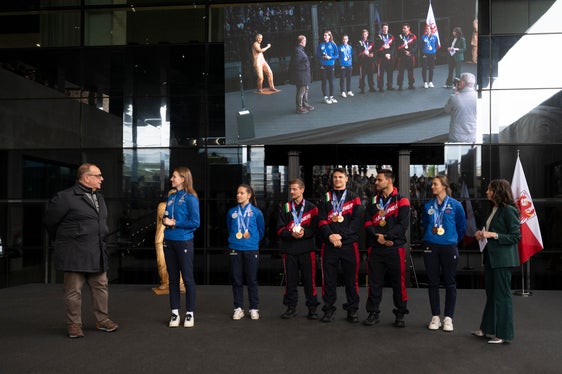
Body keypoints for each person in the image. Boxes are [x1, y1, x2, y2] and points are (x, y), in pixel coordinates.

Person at [44, 163, 118, 338]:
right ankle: (74, 325)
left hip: (97, 251)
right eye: (98, 175)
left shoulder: (99, 197)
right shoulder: (65, 197)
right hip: (74, 253)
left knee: (101, 286)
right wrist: (69, 240)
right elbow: (49, 222)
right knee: (73, 291)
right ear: (86, 178)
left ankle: (103, 320)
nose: (102, 178)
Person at [474, 179, 521, 344]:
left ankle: (503, 334)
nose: (486, 192)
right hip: (491, 259)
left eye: (489, 190)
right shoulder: (494, 209)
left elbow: (516, 236)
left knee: (502, 296)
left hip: (502, 260)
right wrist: (481, 233)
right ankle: (486, 329)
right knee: (491, 295)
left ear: (497, 192)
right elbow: (490, 230)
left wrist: (493, 235)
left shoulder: (509, 211)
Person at [363, 170, 410, 327]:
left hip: (394, 248)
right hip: (376, 247)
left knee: (398, 282)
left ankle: (400, 314)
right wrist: (379, 237)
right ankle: (373, 312)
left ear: (389, 181)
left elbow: (402, 225)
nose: (376, 182)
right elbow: (367, 222)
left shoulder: (402, 200)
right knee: (374, 283)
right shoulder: (373, 200)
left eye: (379, 180)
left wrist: (387, 237)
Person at [317, 168, 364, 323]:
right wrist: (330, 235)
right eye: (335, 177)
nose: (337, 180)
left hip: (349, 245)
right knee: (329, 280)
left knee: (351, 280)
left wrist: (341, 236)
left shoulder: (355, 198)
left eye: (340, 177)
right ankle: (328, 310)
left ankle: (352, 310)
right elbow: (321, 220)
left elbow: (356, 223)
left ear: (346, 179)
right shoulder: (325, 197)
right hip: (329, 244)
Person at [421, 175, 466, 332]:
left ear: (444, 186)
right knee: (432, 281)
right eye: (432, 184)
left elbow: (461, 227)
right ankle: (435, 316)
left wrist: (451, 240)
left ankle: (448, 318)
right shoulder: (428, 206)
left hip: (449, 247)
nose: (432, 186)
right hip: (431, 246)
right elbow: (424, 224)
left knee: (450, 282)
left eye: (435, 184)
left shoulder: (456, 205)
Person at [277, 178, 320, 319]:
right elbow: (279, 230)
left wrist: (304, 233)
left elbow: (315, 229)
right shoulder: (285, 208)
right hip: (289, 250)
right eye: (290, 189)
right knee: (291, 281)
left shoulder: (312, 208)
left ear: (302, 189)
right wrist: (291, 234)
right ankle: (291, 308)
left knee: (309, 281)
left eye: (295, 189)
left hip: (307, 250)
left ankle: (312, 308)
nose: (292, 192)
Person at [163, 167, 200, 328]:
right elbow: (166, 215)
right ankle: (175, 313)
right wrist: (165, 220)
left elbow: (195, 223)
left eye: (174, 176)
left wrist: (175, 223)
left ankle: (190, 313)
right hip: (169, 241)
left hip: (184, 241)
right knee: (172, 279)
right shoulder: (171, 197)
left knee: (187, 277)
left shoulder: (191, 199)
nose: (171, 179)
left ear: (183, 178)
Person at [227, 184, 265, 320]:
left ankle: (254, 308)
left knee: (252, 280)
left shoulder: (256, 212)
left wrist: (252, 241)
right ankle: (238, 308)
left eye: (242, 193)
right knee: (236, 279)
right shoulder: (231, 212)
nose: (238, 195)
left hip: (251, 249)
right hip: (235, 248)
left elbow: (261, 231)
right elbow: (229, 228)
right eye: (237, 193)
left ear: (249, 195)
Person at [155, 187, 185, 292]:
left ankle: (181, 283)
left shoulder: (181, 206)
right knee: (162, 262)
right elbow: (163, 217)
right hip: (161, 238)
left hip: (176, 237)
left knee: (178, 261)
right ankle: (164, 281)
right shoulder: (162, 205)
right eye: (172, 195)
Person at [444, 72, 477, 143]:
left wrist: (454, 94)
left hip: (456, 137)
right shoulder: (479, 97)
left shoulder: (454, 98)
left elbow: (446, 110)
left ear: (462, 83)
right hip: (473, 136)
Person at [290, 35, 315, 114]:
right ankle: (299, 108)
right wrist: (306, 66)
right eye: (305, 40)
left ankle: (305, 104)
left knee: (305, 89)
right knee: (301, 91)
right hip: (301, 75)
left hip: (304, 74)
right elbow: (295, 63)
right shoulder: (298, 50)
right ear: (302, 41)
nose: (306, 42)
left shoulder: (300, 50)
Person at [317, 30, 339, 104]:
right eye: (324, 35)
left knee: (331, 81)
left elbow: (337, 55)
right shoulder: (321, 45)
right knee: (324, 81)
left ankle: (331, 97)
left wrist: (330, 57)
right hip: (323, 66)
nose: (325, 37)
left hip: (331, 65)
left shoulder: (333, 44)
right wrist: (323, 57)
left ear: (330, 36)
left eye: (326, 35)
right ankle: (325, 97)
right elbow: (317, 55)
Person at [396, 23, 418, 90]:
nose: (403, 29)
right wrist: (405, 52)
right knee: (400, 71)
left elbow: (416, 46)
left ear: (409, 28)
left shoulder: (413, 36)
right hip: (402, 56)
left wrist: (410, 52)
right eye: (403, 28)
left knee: (410, 71)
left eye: (405, 28)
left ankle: (411, 84)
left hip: (410, 56)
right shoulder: (400, 36)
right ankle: (400, 85)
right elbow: (398, 46)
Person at [375, 23, 395, 92]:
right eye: (384, 28)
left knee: (390, 72)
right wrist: (385, 54)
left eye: (387, 28)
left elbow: (393, 47)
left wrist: (389, 54)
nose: (385, 29)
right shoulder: (378, 37)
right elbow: (378, 48)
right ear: (382, 29)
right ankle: (381, 87)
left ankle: (390, 85)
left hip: (389, 57)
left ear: (388, 28)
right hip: (382, 58)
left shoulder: (391, 36)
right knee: (381, 73)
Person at [357, 29, 375, 93]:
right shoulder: (359, 43)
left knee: (371, 74)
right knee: (362, 75)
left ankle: (371, 87)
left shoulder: (370, 42)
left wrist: (372, 54)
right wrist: (365, 54)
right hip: (363, 61)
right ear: (362, 35)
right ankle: (362, 88)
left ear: (367, 34)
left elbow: (373, 50)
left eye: (366, 34)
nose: (365, 35)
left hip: (370, 61)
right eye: (363, 34)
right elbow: (359, 52)